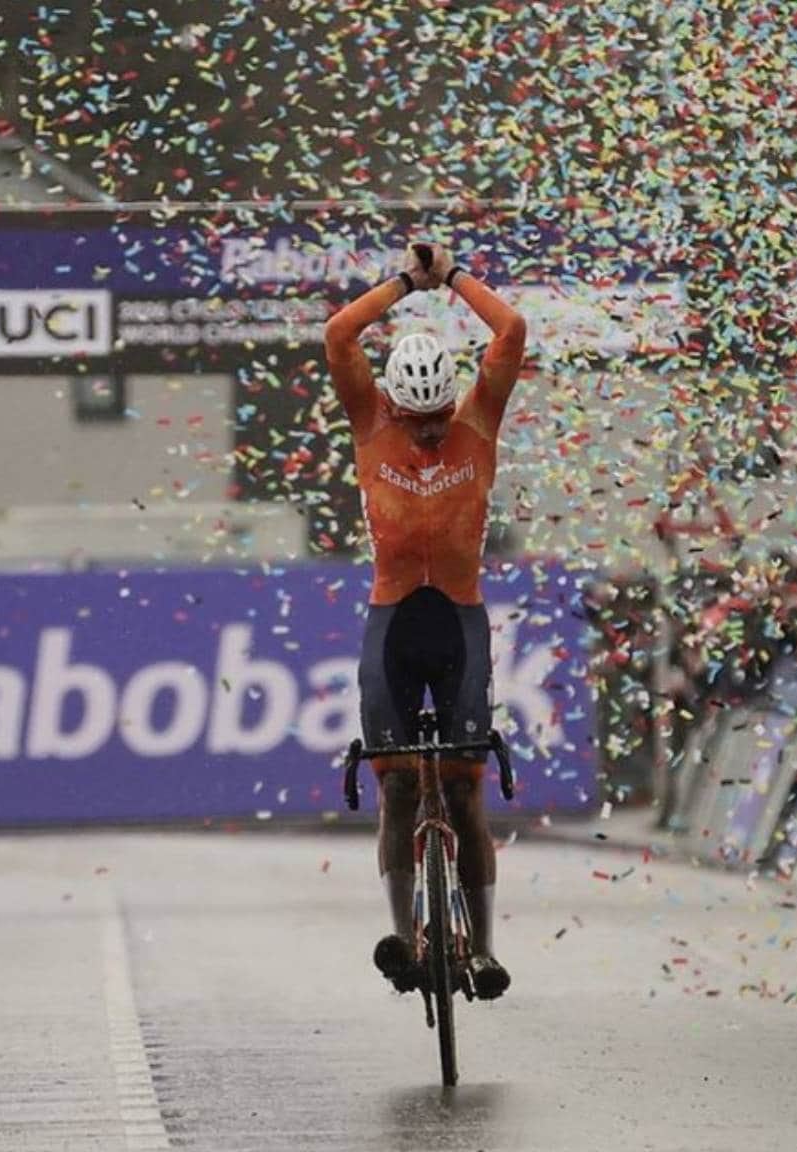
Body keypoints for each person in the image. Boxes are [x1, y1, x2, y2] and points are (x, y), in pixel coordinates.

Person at [324, 240, 526, 1001]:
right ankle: (404, 940)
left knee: (468, 790)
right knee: (399, 788)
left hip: (460, 624)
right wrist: (405, 284)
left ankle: (484, 950)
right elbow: (340, 335)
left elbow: (511, 334)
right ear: (396, 407)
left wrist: (454, 277)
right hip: (393, 623)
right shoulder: (373, 423)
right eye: (421, 420)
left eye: (441, 415)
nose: (435, 430)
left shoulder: (477, 419)